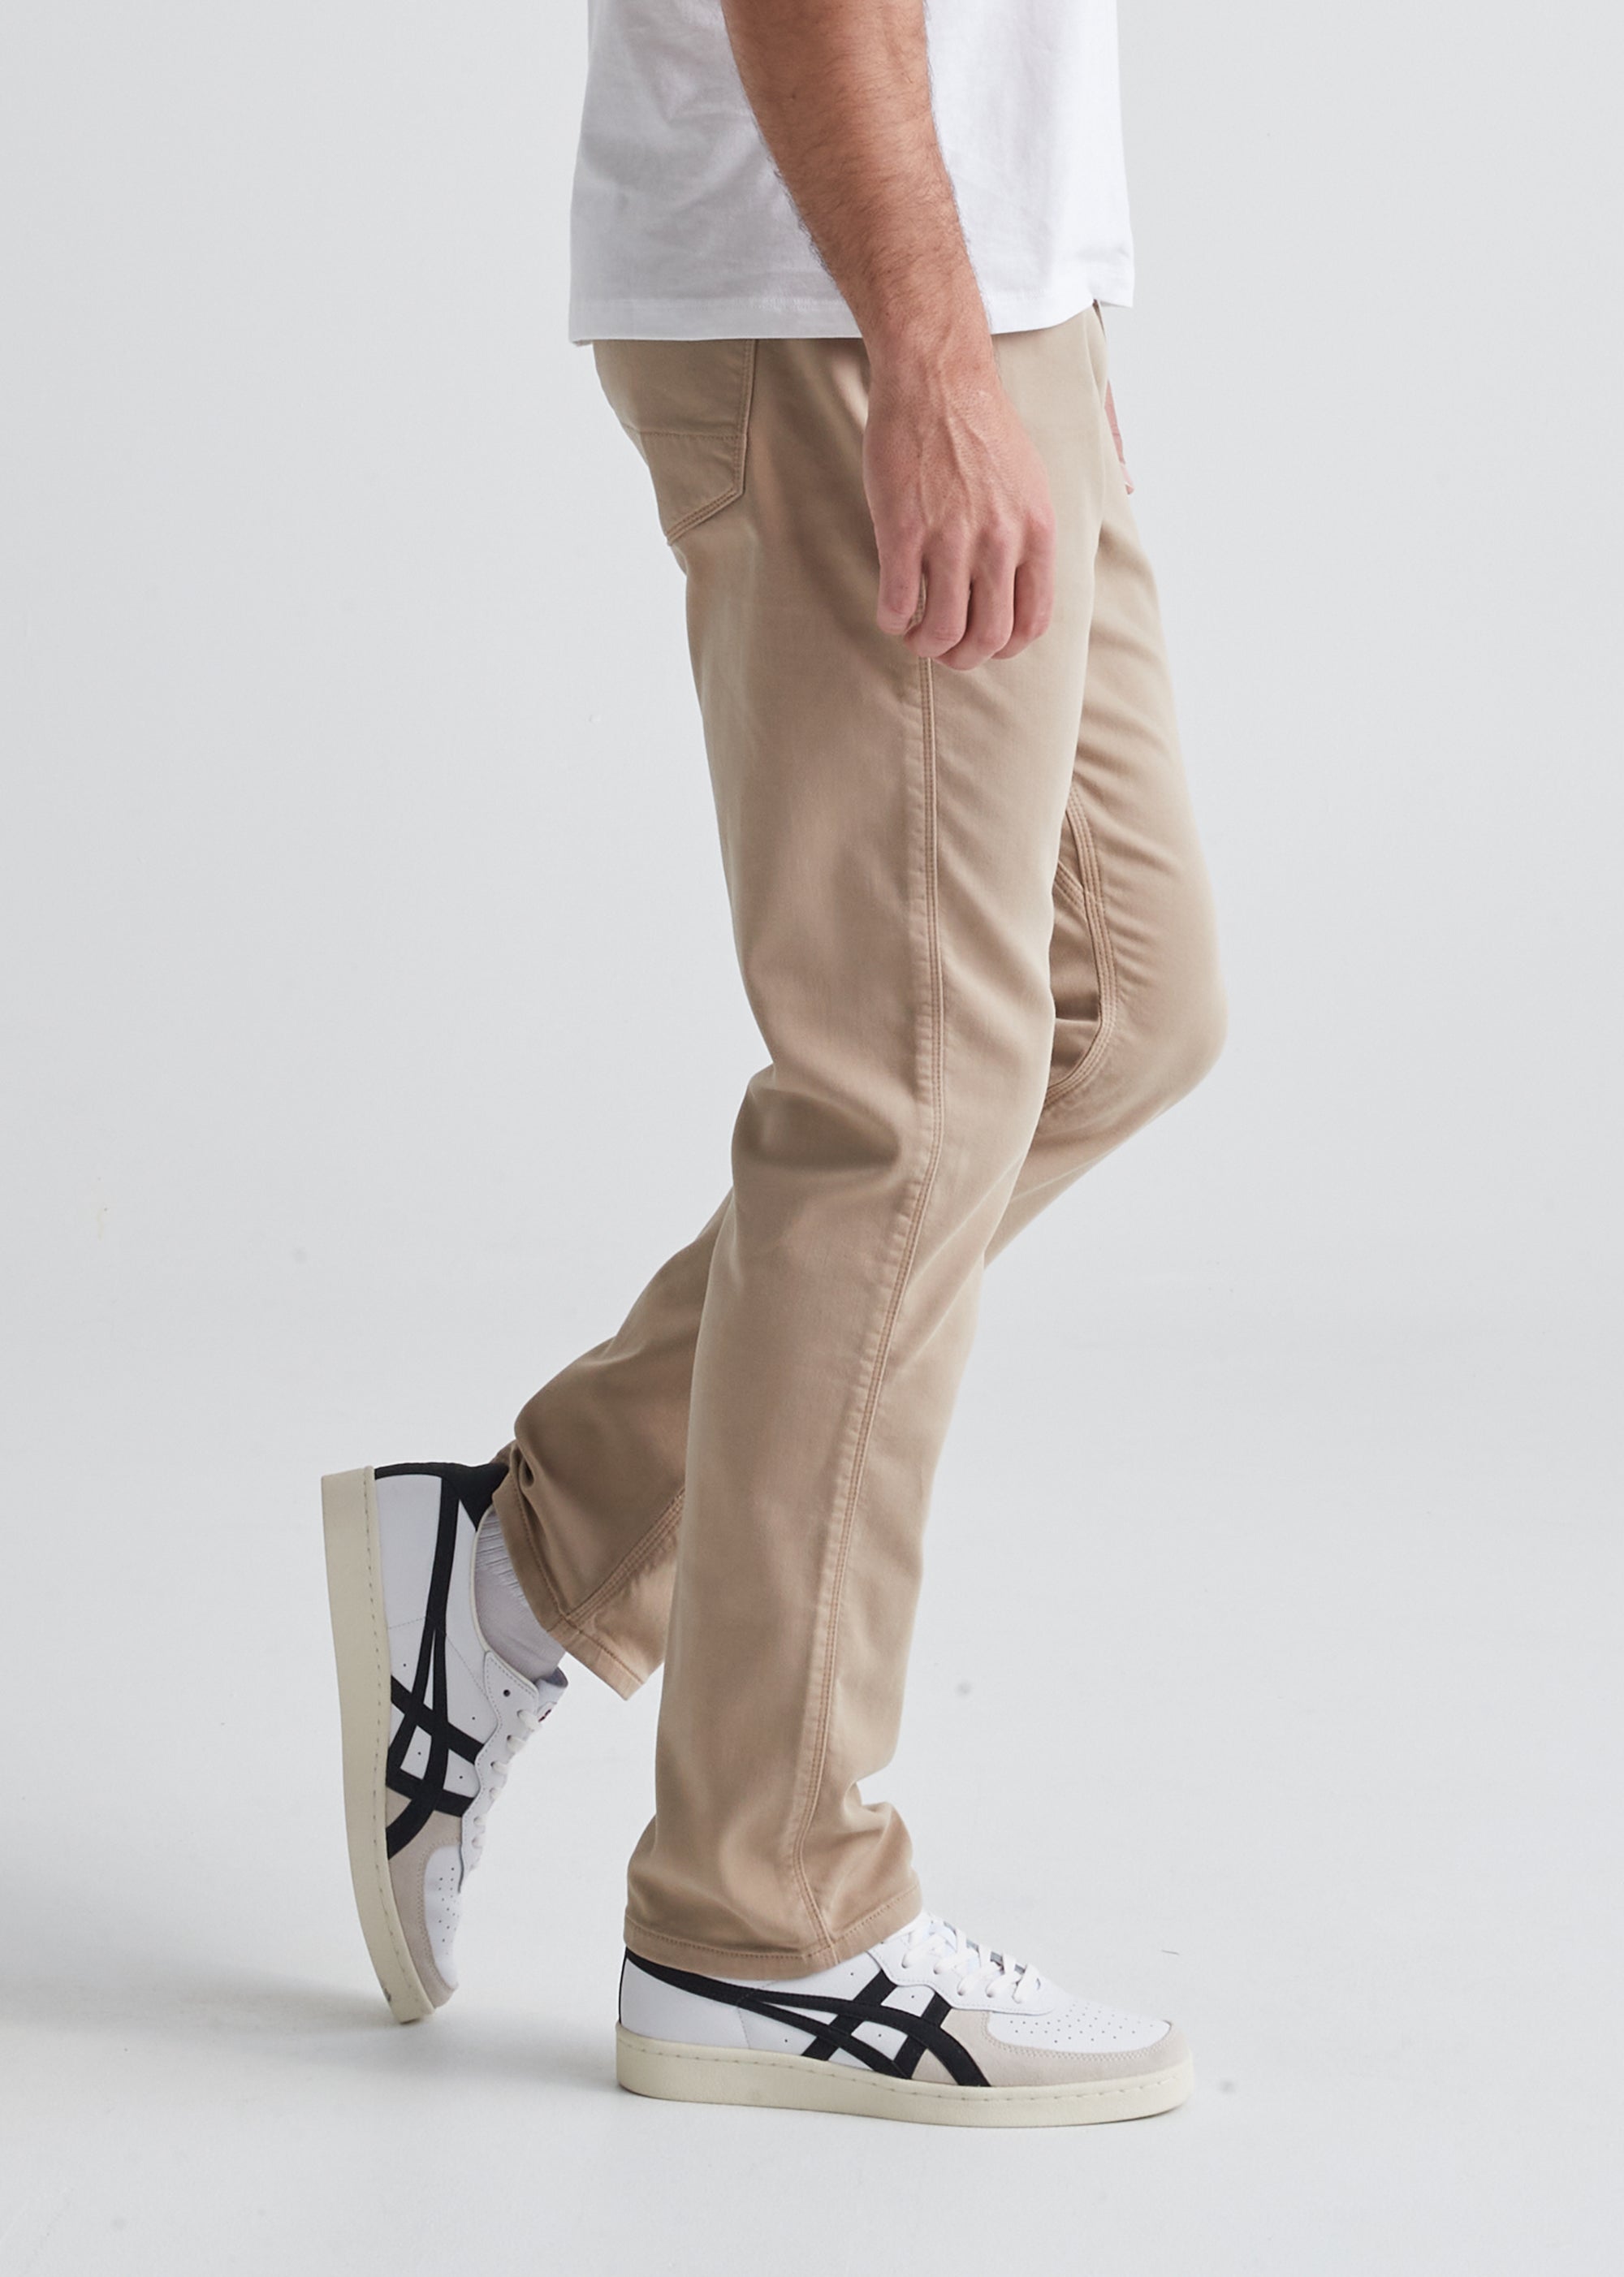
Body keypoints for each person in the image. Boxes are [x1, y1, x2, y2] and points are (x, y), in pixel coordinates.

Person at [322, 0, 1224, 2128]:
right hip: (845, 296)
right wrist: (927, 339)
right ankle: (762, 1906)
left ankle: (522, 1559)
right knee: (903, 1101)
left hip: (984, 283)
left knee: (1123, 1001)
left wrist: (1037, 297)